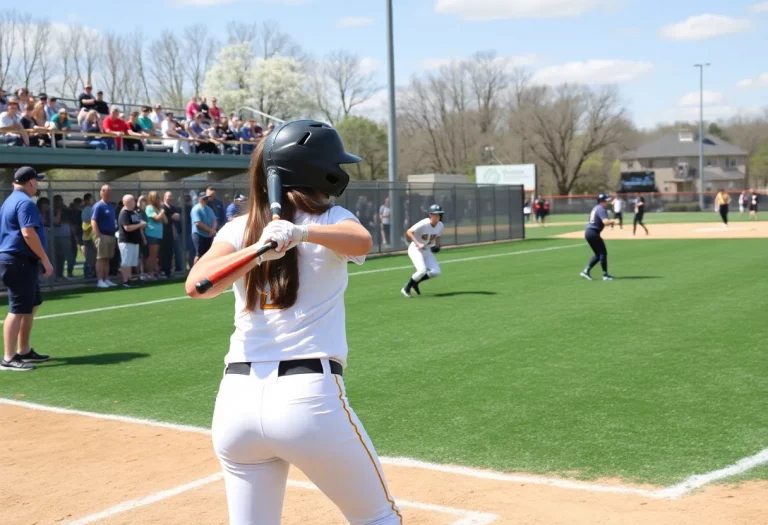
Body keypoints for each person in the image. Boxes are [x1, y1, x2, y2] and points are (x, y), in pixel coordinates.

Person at [184, 119, 401, 525]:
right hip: (308, 400)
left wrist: (299, 233)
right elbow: (198, 285)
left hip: (236, 406)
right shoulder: (259, 230)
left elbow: (361, 242)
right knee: (378, 519)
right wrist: (257, 251)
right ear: (315, 169)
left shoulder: (242, 226)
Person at [0, 167, 53, 371]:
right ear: (30, 182)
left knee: (31, 304)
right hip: (18, 260)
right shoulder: (24, 202)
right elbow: (28, 234)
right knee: (18, 308)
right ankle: (8, 357)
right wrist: (45, 259)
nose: (37, 185)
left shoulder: (10, 201)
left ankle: (23, 350)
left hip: (19, 260)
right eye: (36, 181)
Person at [401, 204, 444, 298]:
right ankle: (406, 288)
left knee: (436, 272)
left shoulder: (440, 225)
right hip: (415, 249)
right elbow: (409, 232)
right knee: (422, 271)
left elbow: (438, 236)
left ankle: (415, 283)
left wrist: (438, 245)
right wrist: (418, 243)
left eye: (439, 214)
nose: (437, 216)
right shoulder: (424, 223)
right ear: (430, 215)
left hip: (427, 249)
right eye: (435, 214)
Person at [580, 194, 618, 282]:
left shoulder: (595, 208)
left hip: (589, 232)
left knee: (598, 254)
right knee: (603, 253)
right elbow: (605, 222)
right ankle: (605, 275)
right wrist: (613, 221)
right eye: (606, 200)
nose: (607, 202)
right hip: (593, 232)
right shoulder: (601, 209)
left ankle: (586, 271)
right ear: (602, 201)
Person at [91, 184, 118, 288]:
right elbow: (93, 221)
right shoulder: (98, 206)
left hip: (111, 235)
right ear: (102, 193)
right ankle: (100, 280)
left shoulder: (110, 205)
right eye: (106, 192)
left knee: (107, 258)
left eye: (110, 192)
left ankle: (106, 279)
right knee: (101, 258)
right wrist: (99, 234)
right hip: (102, 235)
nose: (109, 194)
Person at [117, 195, 146, 288]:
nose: (134, 202)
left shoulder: (133, 212)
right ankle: (126, 281)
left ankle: (129, 279)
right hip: (126, 241)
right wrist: (139, 225)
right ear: (127, 202)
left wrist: (142, 224)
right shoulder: (124, 213)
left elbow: (138, 224)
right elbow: (127, 227)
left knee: (131, 262)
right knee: (126, 262)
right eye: (132, 201)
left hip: (134, 241)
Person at [144, 191, 167, 279]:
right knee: (152, 254)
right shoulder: (149, 208)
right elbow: (157, 218)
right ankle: (150, 273)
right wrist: (161, 212)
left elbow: (165, 221)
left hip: (158, 235)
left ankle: (154, 272)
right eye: (156, 197)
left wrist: (161, 212)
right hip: (151, 234)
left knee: (156, 254)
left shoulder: (158, 208)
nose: (158, 199)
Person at [190, 192, 217, 264]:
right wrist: (210, 230)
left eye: (206, 198)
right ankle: (195, 273)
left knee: (207, 255)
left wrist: (213, 230)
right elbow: (198, 223)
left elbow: (214, 220)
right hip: (198, 234)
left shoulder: (209, 209)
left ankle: (206, 273)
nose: (205, 200)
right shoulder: (196, 209)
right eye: (204, 198)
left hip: (208, 235)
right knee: (199, 255)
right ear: (199, 199)